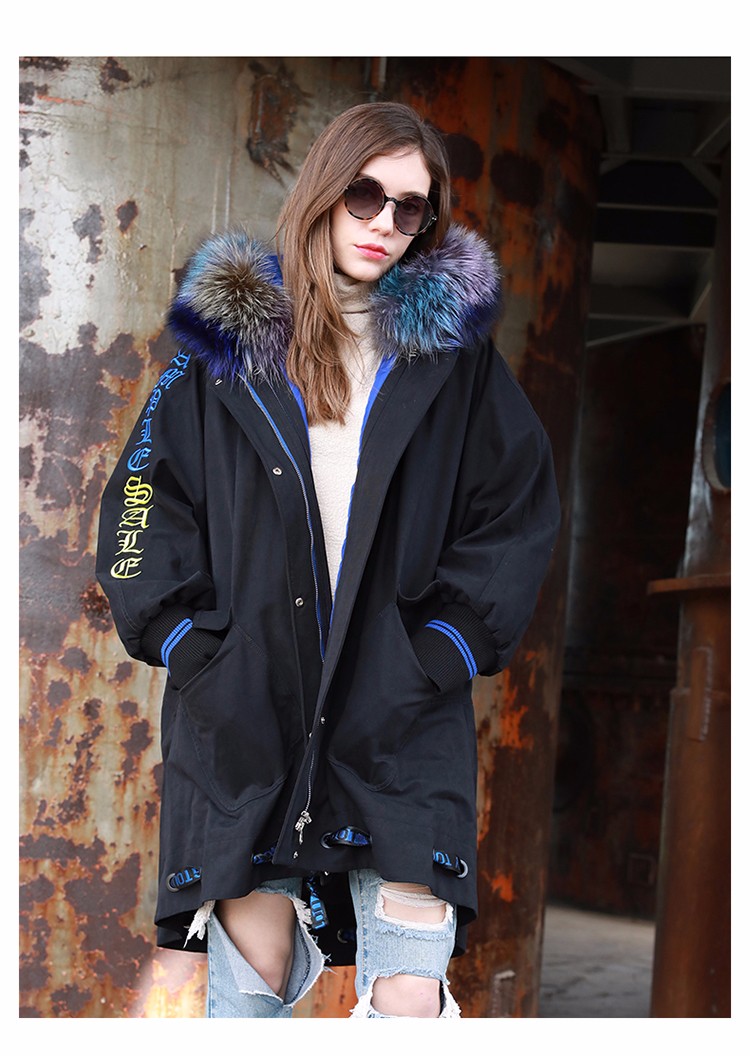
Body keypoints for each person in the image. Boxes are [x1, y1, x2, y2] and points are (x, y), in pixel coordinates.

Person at [96, 100, 560, 1019]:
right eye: (364, 195)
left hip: (400, 713)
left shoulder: (452, 358)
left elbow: (516, 509)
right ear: (323, 192)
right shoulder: (223, 345)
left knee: (408, 996)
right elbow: (143, 500)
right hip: (247, 710)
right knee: (252, 986)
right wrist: (188, 641)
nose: (384, 221)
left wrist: (446, 646)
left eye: (410, 207)